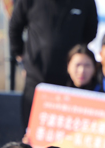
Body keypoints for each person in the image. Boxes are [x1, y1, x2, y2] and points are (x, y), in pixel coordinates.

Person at [9, 0, 98, 128]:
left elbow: (90, 32)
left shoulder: (85, 2)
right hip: (36, 78)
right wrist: (21, 57)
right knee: (31, 131)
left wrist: (73, 57)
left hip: (70, 82)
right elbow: (14, 27)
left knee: (66, 133)